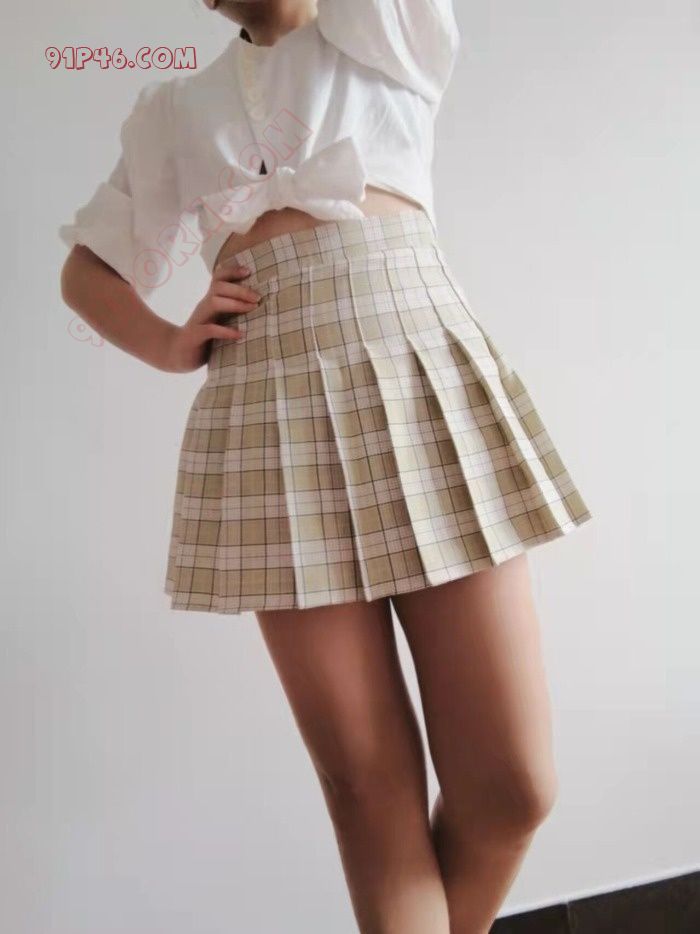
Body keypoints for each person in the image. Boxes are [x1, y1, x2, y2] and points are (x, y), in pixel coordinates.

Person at [58, 2, 593, 931]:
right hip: (267, 415)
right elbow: (87, 272)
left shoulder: (386, 27)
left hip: (419, 380)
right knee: (368, 790)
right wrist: (171, 343)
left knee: (512, 786)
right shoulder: (172, 113)